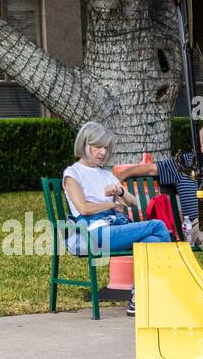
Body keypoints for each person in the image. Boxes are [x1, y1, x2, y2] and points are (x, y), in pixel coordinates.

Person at [63, 121, 171, 316]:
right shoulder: (72, 174)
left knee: (152, 240)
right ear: (84, 144)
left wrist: (120, 191)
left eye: (105, 147)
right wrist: (112, 204)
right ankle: (162, 290)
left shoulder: (105, 174)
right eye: (97, 147)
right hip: (91, 235)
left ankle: (138, 298)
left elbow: (133, 202)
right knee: (157, 226)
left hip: (111, 229)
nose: (102, 152)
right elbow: (84, 209)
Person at [113, 123, 203, 250]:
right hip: (202, 222)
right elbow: (149, 169)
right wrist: (118, 179)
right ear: (201, 146)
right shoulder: (184, 163)